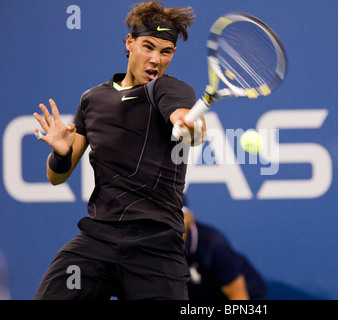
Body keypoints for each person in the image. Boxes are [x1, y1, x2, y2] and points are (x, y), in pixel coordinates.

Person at [32, 0, 206, 300]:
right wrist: (61, 153)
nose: (155, 59)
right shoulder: (93, 99)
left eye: (165, 51)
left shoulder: (169, 89)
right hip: (99, 237)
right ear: (130, 42)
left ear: (173, 54)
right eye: (148, 46)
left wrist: (188, 125)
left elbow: (189, 123)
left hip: (156, 244)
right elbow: (56, 177)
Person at [182, 198, 267, 300]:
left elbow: (238, 295)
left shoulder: (212, 243)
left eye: (173, 216)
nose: (166, 223)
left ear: (188, 217)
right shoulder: (159, 243)